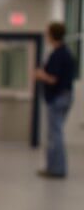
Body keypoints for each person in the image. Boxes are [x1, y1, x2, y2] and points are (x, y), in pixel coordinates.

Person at [33, 21, 77, 179]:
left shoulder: (59, 54)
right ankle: (53, 167)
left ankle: (57, 169)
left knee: (55, 134)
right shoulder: (64, 53)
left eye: (47, 33)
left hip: (58, 98)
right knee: (54, 133)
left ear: (52, 34)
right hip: (64, 96)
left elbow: (53, 79)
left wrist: (40, 75)